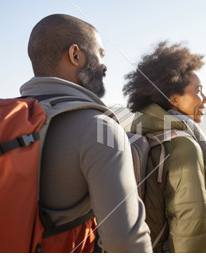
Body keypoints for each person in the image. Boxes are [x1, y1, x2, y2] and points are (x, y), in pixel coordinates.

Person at [20, 14, 152, 252]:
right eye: (100, 53)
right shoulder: (99, 128)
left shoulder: (9, 121)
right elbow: (125, 243)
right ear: (76, 55)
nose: (104, 64)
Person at [123, 41, 206, 252]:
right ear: (175, 99)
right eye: (198, 91)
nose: (205, 99)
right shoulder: (183, 147)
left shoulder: (142, 132)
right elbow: (191, 231)